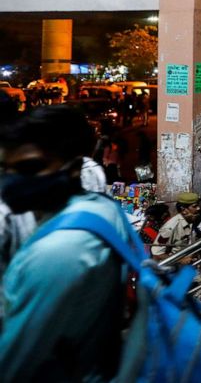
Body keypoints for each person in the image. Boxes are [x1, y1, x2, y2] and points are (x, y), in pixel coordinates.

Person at [0, 106, 135, 379]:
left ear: (73, 170)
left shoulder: (58, 251)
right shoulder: (102, 207)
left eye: (30, 168)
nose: (13, 180)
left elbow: (12, 365)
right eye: (6, 169)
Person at [151, 192, 201, 262]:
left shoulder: (192, 221)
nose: (198, 208)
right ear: (183, 210)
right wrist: (180, 260)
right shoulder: (170, 228)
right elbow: (157, 254)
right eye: (194, 206)